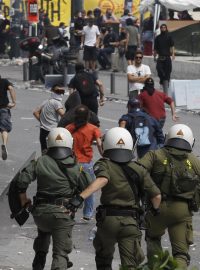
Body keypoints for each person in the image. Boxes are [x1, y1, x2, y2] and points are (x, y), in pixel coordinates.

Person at [65, 127, 161, 269]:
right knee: (130, 264)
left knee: (104, 259)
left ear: (107, 145)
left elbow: (102, 180)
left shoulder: (104, 164)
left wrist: (79, 198)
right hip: (130, 222)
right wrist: (153, 213)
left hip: (108, 221)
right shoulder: (139, 169)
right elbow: (156, 196)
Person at [15, 127, 92, 270]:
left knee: (43, 234)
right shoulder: (74, 165)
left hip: (40, 214)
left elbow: (21, 180)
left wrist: (23, 200)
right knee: (60, 254)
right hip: (62, 214)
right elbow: (88, 186)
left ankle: (39, 258)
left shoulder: (40, 161)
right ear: (70, 143)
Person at [137, 124, 200, 269]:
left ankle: (157, 266)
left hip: (156, 208)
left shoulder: (155, 155)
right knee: (181, 254)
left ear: (168, 137)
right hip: (182, 211)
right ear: (191, 141)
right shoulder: (194, 161)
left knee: (153, 239)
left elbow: (137, 171)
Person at [66, 105, 102, 221]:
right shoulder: (93, 129)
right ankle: (87, 214)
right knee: (89, 188)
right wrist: (103, 154)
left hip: (71, 163)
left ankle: (69, 210)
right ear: (88, 116)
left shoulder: (68, 128)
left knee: (70, 188)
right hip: (86, 164)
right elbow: (100, 143)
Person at [33, 84, 65, 154]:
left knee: (44, 153)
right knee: (55, 153)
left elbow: (35, 112)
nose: (60, 93)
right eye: (58, 91)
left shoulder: (46, 101)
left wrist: (43, 121)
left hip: (43, 131)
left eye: (61, 91)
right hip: (53, 131)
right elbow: (63, 115)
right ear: (52, 91)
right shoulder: (56, 103)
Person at [154, 24, 175, 94]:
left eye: (164, 27)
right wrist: (154, 56)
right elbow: (155, 49)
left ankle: (166, 86)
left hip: (167, 57)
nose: (163, 28)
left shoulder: (169, 36)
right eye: (162, 27)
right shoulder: (157, 38)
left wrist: (173, 54)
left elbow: (172, 46)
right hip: (160, 57)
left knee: (168, 72)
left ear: (166, 28)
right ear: (160, 29)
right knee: (159, 69)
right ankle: (162, 81)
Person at [0, 75, 16, 160]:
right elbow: (11, 88)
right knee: (4, 129)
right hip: (3, 108)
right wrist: (14, 101)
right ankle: (4, 145)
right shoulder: (4, 81)